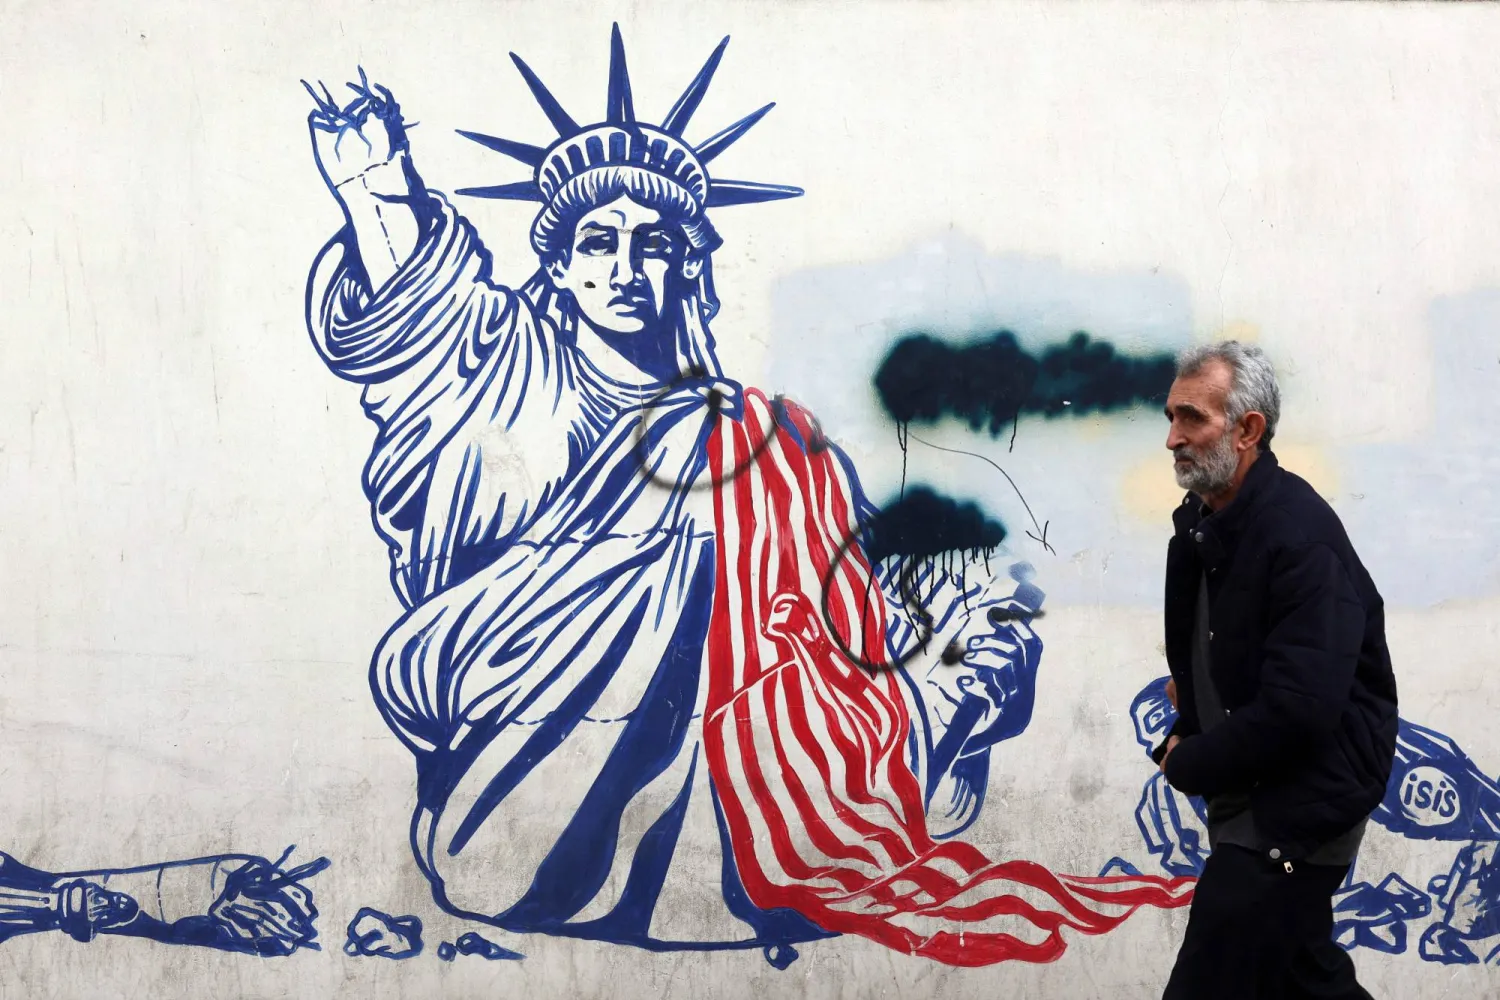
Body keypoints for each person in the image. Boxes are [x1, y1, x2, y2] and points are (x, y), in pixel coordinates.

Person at [300, 26, 1190, 968]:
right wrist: (376, 191)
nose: (625, 268)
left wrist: (950, 624)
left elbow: (844, 590)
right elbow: (417, 316)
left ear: (688, 265)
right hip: (507, 705)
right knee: (701, 527)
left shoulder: (759, 435)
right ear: (558, 265)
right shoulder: (503, 369)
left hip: (742, 754)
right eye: (598, 244)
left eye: (654, 245)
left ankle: (853, 780)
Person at [1153, 340, 1398, 997]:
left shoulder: (1297, 535)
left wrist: (1187, 761)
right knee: (1303, 977)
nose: (1172, 438)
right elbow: (1238, 649)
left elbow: (1299, 710)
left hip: (1296, 810)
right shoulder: (1208, 526)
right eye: (1170, 418)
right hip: (1259, 799)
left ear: (1248, 428)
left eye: (1191, 418)